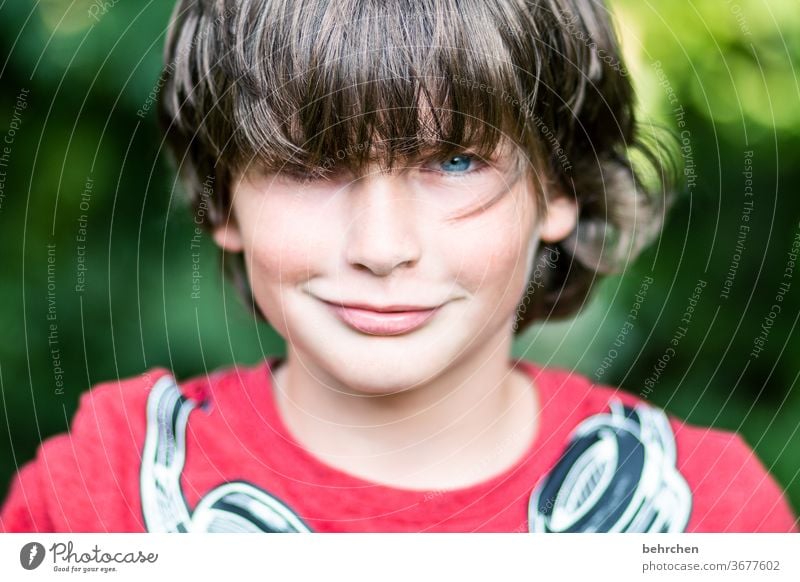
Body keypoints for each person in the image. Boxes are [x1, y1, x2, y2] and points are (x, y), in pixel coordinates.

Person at [1, 0, 796, 533]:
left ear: (559, 186)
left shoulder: (709, 511)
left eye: (454, 161)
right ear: (222, 193)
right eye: (309, 166)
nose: (381, 248)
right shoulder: (97, 500)